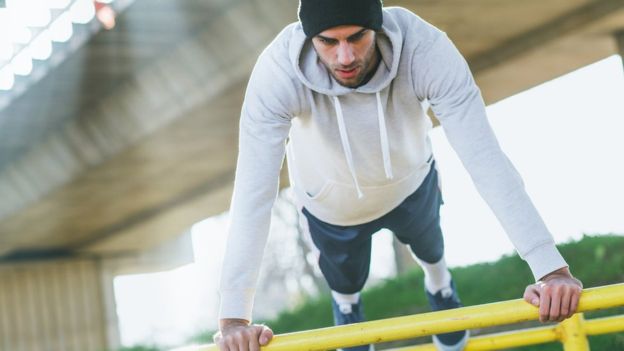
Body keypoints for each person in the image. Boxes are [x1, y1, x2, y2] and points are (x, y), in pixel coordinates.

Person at [214, 1, 583, 350]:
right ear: (309, 37)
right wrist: (233, 318)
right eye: (329, 41)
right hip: (331, 204)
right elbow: (253, 192)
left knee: (431, 247)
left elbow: (484, 156)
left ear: (377, 26)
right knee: (345, 280)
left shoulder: (425, 49)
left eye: (357, 36)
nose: (345, 56)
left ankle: (440, 287)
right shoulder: (277, 73)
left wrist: (549, 268)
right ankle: (346, 307)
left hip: (411, 181)